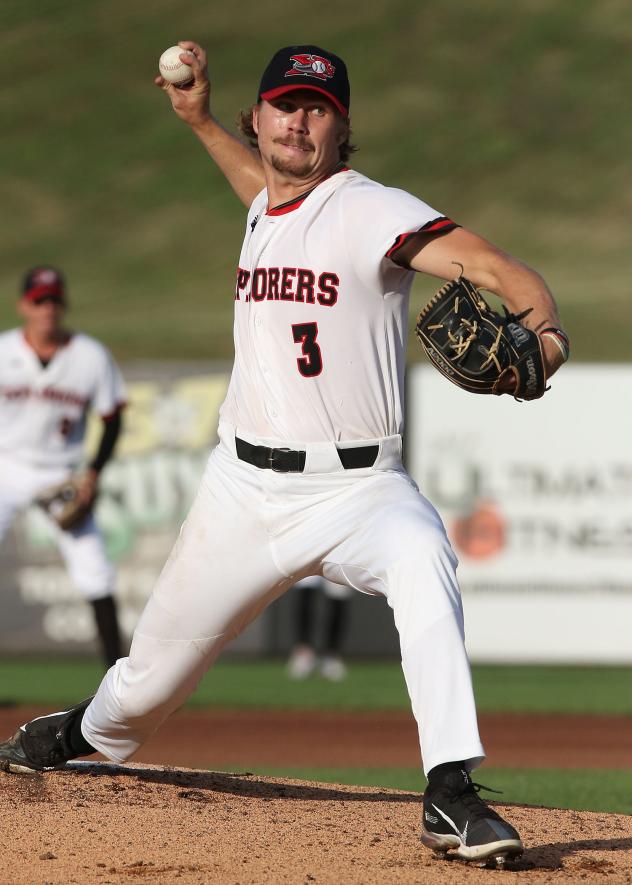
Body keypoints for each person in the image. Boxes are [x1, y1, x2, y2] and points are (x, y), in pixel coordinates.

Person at [0, 45, 568, 866]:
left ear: (342, 127)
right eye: (284, 105)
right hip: (239, 490)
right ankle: (81, 728)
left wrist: (546, 336)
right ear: (258, 118)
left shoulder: (372, 210)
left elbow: (493, 268)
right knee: (145, 692)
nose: (298, 121)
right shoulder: (266, 202)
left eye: (318, 107)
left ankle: (451, 791)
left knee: (422, 561)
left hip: (358, 487)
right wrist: (195, 119)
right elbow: (260, 187)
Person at [0, 267, 126, 668]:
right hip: (6, 465)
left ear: (64, 304)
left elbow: (112, 417)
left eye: (53, 300)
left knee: (96, 571)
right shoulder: (3, 351)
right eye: (39, 300)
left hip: (61, 472)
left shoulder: (89, 356)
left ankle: (119, 688)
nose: (47, 309)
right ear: (24, 306)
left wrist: (92, 473)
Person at [286, 576, 351, 681]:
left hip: (336, 559)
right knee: (306, 592)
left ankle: (331, 656)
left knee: (338, 597)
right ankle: (304, 653)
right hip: (308, 558)